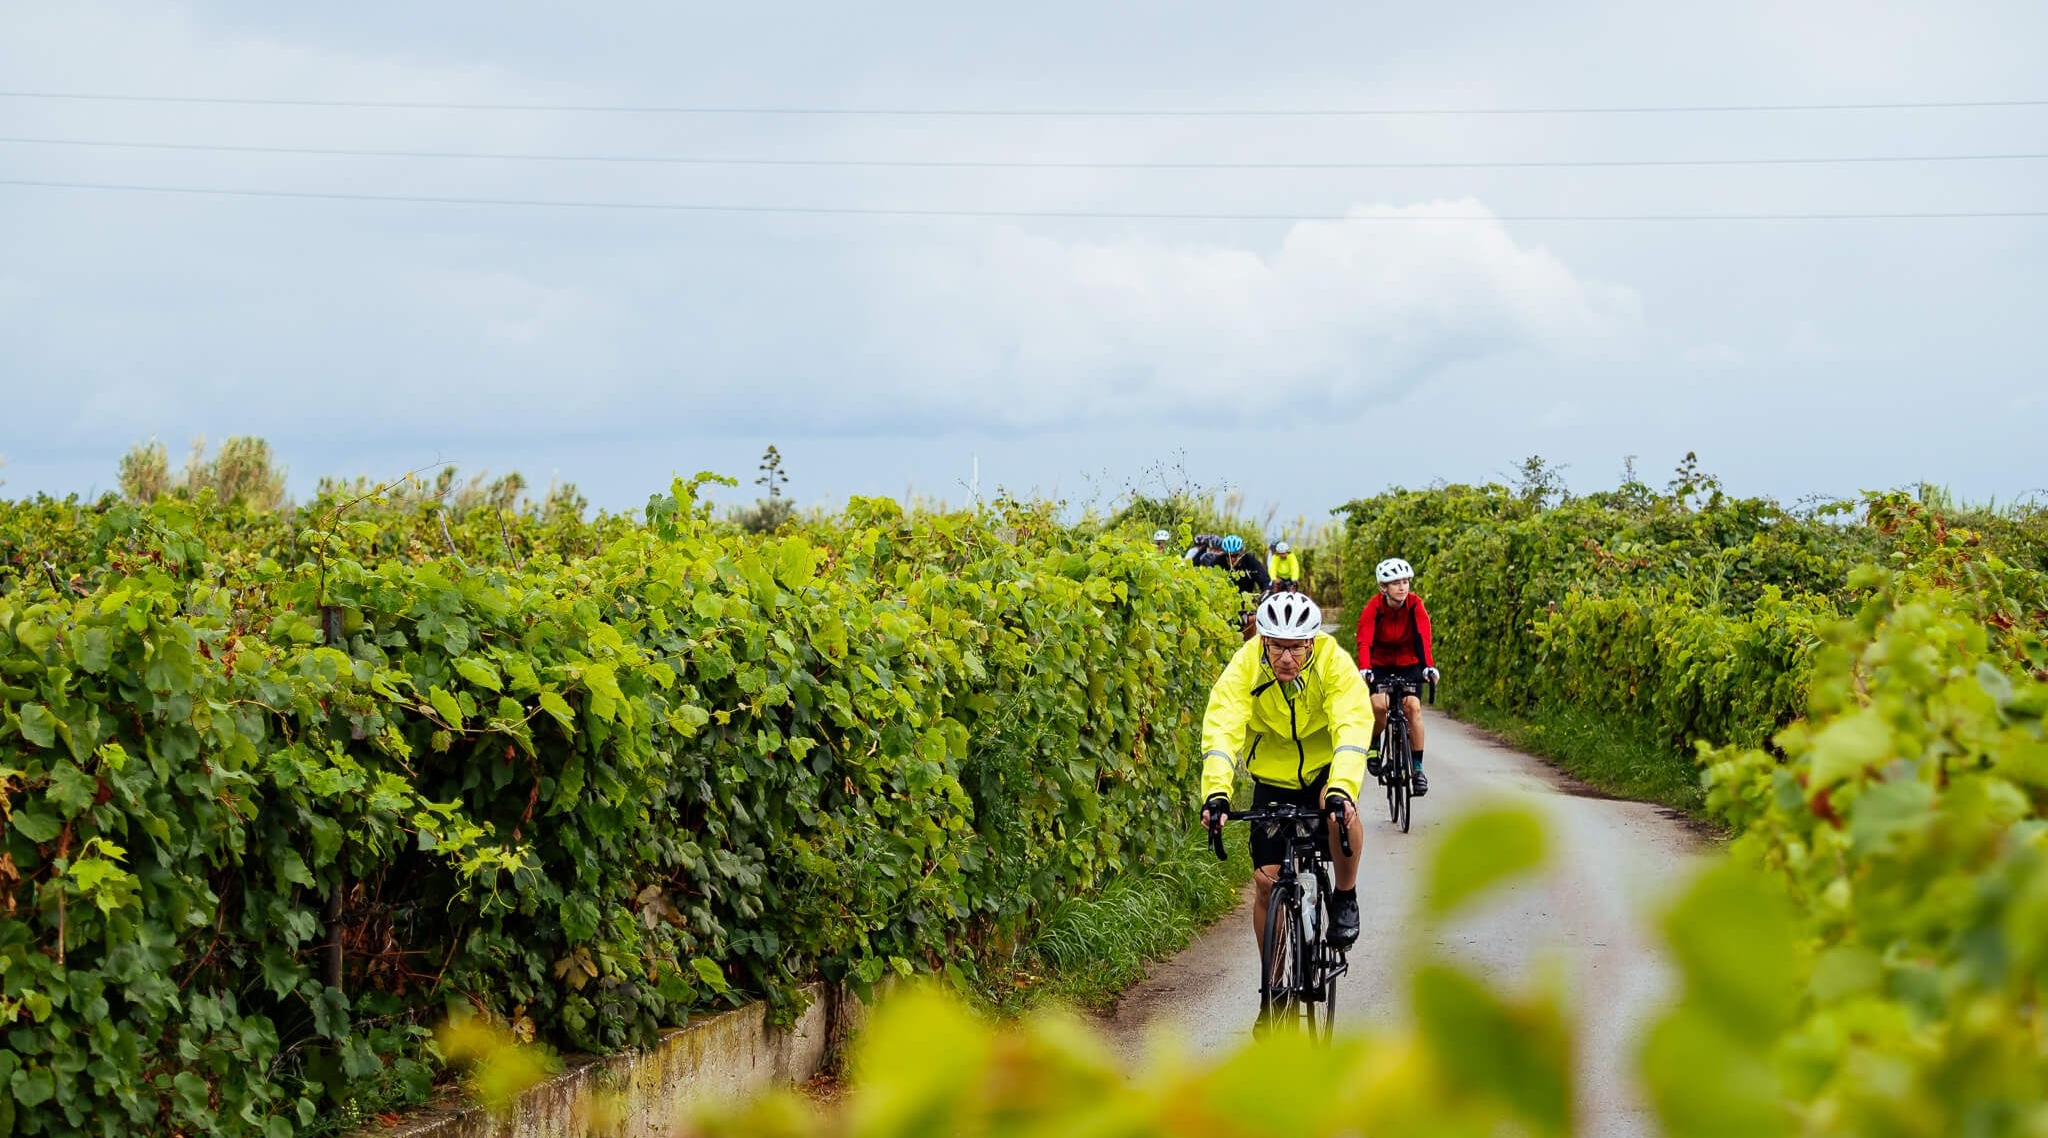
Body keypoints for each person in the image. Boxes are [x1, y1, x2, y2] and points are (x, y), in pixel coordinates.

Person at [1199, 590, 1375, 950]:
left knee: (1341, 814)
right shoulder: (1246, 665)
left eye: (1296, 648)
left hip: (1325, 768)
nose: (1286, 658)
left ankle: (1345, 895)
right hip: (1272, 778)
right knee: (1266, 883)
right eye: (1277, 646)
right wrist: (1216, 793)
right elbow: (1222, 728)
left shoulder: (1333, 662)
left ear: (1312, 642)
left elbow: (1352, 725)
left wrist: (1342, 786)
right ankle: (1273, 987)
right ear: (1262, 640)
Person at [1353, 557, 1440, 797]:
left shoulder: (1415, 605)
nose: (1402, 587)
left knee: (1412, 707)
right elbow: (1365, 639)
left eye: (1405, 582)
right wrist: (1365, 667)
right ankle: (1374, 743)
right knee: (1379, 705)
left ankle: (1418, 769)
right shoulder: (1374, 607)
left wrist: (1428, 668)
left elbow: (1423, 637)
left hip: (1408, 663)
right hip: (1379, 664)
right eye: (1395, 583)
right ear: (1384, 587)